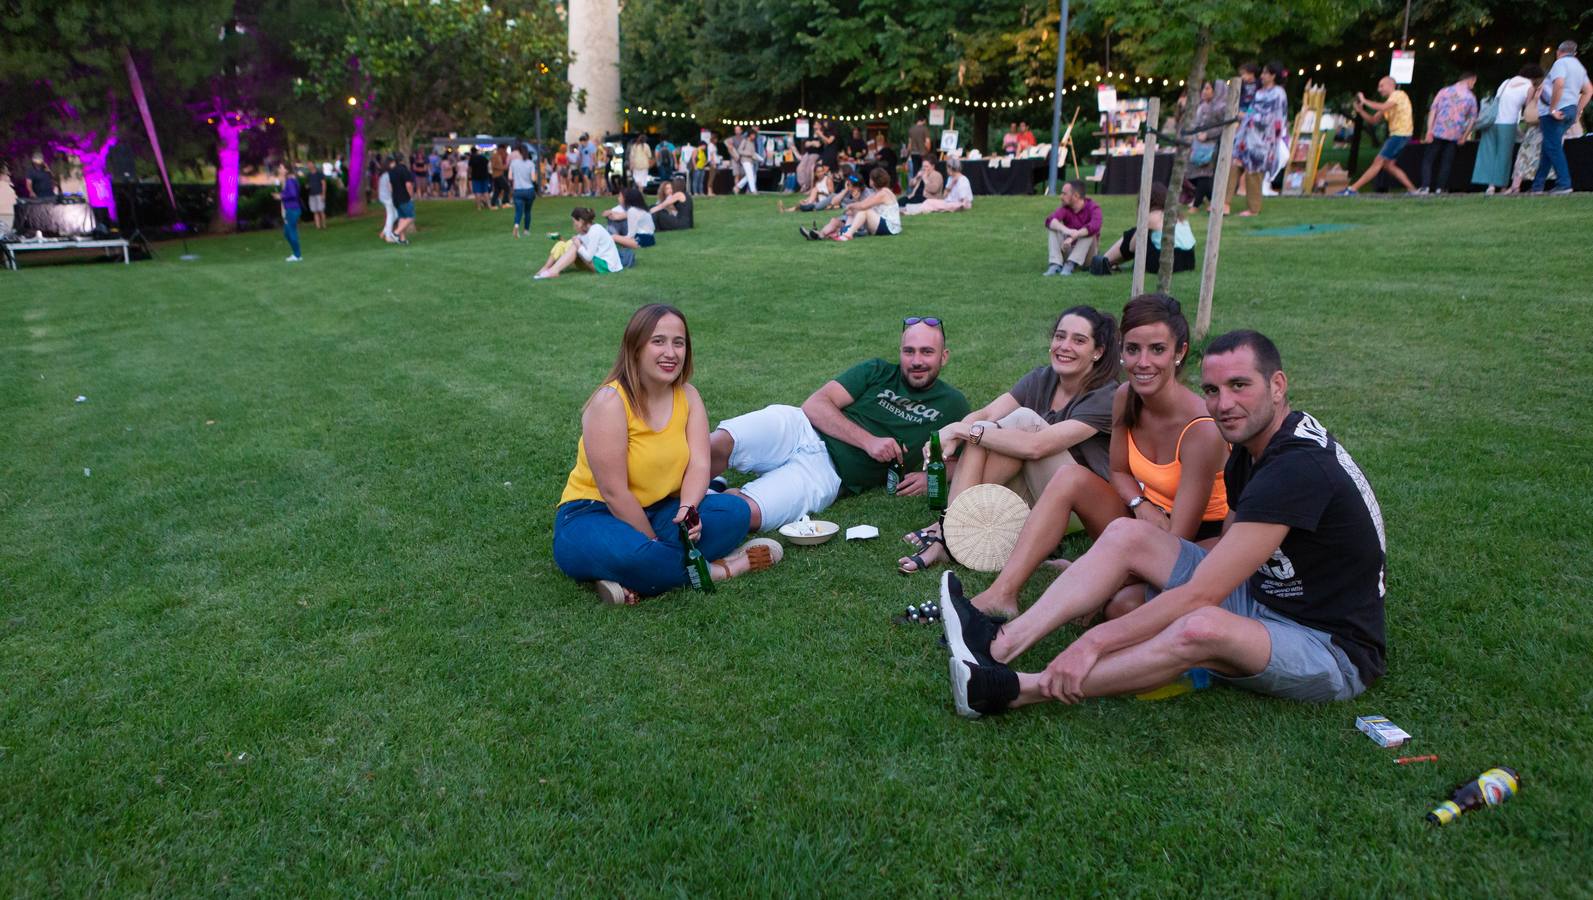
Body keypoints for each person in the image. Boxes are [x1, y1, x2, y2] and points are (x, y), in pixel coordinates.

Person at [941, 328, 1387, 717]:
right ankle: (998, 642)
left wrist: (1095, 642)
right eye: (1212, 390)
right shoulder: (1253, 446)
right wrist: (1123, 575)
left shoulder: (1296, 468)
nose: (1224, 404)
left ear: (1277, 385)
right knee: (1125, 535)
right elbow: (1230, 546)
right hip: (1264, 596)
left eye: (1239, 386)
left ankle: (1013, 690)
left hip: (1327, 646)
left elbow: (1203, 594)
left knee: (1199, 626)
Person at [957, 294, 1229, 617]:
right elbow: (1119, 472)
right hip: (1140, 519)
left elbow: (1177, 541)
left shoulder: (1201, 429)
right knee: (1069, 477)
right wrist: (1139, 505)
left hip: (1190, 540)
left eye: (1157, 349)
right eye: (1133, 349)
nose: (1142, 363)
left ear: (1179, 352)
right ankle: (1001, 594)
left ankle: (1093, 578)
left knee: (1118, 607)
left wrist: (1097, 572)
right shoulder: (1125, 396)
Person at [554, 304, 781, 605]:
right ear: (635, 348)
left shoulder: (688, 395)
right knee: (643, 557)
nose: (671, 353)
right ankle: (722, 568)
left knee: (735, 513)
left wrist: (688, 511)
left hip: (663, 508)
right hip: (592, 513)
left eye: (679, 342)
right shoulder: (610, 403)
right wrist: (652, 541)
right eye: (658, 341)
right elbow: (614, 492)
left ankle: (631, 576)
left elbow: (700, 463)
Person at [896, 306, 1121, 575]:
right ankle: (954, 528)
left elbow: (1038, 447)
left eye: (1079, 340)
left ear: (1098, 352)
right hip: (1037, 493)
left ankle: (948, 533)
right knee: (986, 429)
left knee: (1021, 423)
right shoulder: (1042, 378)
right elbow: (988, 413)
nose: (1065, 346)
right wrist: (953, 433)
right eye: (1060, 337)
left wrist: (960, 430)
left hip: (1080, 510)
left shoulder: (1106, 396)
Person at [707, 318, 971, 532]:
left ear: (943, 357)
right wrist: (869, 441)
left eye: (927, 352)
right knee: (719, 443)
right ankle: (679, 491)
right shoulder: (877, 371)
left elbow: (968, 460)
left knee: (745, 513)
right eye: (908, 351)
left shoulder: (953, 405)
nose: (916, 361)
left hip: (828, 473)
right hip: (800, 427)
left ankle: (712, 497)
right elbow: (815, 405)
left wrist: (931, 477)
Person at [1225, 61, 1288, 216]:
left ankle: (1253, 209)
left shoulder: (1279, 94)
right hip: (1246, 138)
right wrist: (1245, 119)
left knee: (1253, 174)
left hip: (1262, 142)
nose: (1262, 76)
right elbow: (1253, 110)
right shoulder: (1259, 93)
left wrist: (1248, 116)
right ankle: (1224, 203)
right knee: (1234, 167)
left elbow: (1275, 119)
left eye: (1266, 73)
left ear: (1273, 75)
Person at [1090, 184, 1194, 276]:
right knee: (1141, 232)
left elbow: (1131, 247)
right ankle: (1109, 262)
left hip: (1165, 263)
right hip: (1189, 261)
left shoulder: (1153, 216)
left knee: (1134, 233)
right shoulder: (1179, 216)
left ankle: (1105, 261)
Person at [1339, 76, 1419, 195]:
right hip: (1398, 135)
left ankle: (1352, 189)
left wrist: (1365, 101)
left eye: (1381, 86)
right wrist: (1360, 111)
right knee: (1388, 165)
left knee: (1378, 161)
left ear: (1390, 85)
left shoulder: (1399, 95)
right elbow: (1373, 120)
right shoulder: (1389, 102)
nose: (1379, 89)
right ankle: (1413, 190)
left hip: (1400, 134)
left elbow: (1382, 107)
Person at [1532, 40, 1591, 194]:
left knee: (1553, 147)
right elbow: (1589, 90)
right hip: (1570, 109)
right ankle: (1537, 186)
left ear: (1559, 52)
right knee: (1549, 147)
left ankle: (1564, 184)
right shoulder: (1579, 67)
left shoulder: (1560, 64)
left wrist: (1552, 108)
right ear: (1575, 53)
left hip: (1554, 112)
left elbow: (1558, 84)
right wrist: (1578, 111)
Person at [1472, 66, 1539, 193]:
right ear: (1534, 77)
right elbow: (1528, 109)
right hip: (1508, 122)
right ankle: (1501, 185)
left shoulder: (1506, 82)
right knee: (1504, 156)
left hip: (1492, 122)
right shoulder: (1529, 87)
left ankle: (1490, 186)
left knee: (1490, 154)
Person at [1418, 73, 1478, 194]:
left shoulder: (1444, 91)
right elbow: (1472, 119)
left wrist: (1429, 129)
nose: (1473, 85)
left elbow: (1433, 110)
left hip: (1438, 131)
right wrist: (1465, 136)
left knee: (1429, 159)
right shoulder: (1471, 97)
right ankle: (1440, 188)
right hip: (1455, 134)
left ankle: (1425, 186)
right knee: (1447, 162)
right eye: (1474, 82)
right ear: (1470, 80)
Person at [535, 207, 630, 278]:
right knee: (572, 244)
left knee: (576, 246)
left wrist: (578, 245)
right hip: (602, 263)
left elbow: (588, 257)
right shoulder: (587, 231)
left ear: (580, 221)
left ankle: (553, 271)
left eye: (574, 221)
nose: (573, 225)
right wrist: (564, 239)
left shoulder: (595, 230)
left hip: (608, 267)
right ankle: (550, 270)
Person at [811, 167, 900, 241]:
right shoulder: (876, 192)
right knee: (835, 221)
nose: (850, 187)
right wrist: (846, 191)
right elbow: (834, 201)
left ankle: (846, 234)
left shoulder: (882, 193)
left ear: (873, 180)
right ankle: (821, 234)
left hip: (889, 227)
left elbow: (863, 206)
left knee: (864, 211)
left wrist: (851, 205)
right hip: (869, 223)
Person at [1043, 179, 1102, 276]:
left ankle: (1070, 264)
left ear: (1076, 196)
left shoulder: (1093, 207)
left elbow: (1094, 226)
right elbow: (1049, 220)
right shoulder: (1065, 208)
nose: (1061, 197)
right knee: (1054, 227)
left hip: (1088, 255)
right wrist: (1068, 231)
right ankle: (1055, 264)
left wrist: (1074, 236)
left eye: (1064, 194)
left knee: (1090, 232)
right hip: (1069, 249)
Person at [1185, 80, 1228, 209]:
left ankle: (1196, 205)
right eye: (1204, 88)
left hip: (1212, 146)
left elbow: (1225, 127)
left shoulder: (1222, 107)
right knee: (1195, 173)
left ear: (1216, 91)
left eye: (1208, 88)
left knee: (1204, 174)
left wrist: (1207, 134)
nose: (1204, 91)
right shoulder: (1202, 106)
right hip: (1198, 145)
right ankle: (1211, 200)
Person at [901, 157, 973, 215]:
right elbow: (944, 196)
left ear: (951, 168)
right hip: (947, 201)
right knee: (928, 203)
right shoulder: (950, 178)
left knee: (928, 203)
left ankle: (908, 211)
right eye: (923, 166)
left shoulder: (962, 180)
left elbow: (964, 202)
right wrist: (917, 177)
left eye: (926, 166)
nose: (924, 168)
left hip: (954, 203)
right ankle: (907, 210)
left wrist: (925, 179)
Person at [272, 161, 303, 262]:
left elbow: (293, 194)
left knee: (291, 230)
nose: (279, 169)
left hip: (292, 209)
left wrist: (281, 196)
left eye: (281, 167)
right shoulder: (288, 180)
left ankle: (297, 255)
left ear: (286, 170)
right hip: (290, 209)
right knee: (286, 232)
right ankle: (296, 254)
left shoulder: (290, 181)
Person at [509, 147, 537, 238]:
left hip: (518, 190)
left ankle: (516, 226)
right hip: (529, 190)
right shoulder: (531, 163)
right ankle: (526, 230)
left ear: (519, 153)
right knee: (527, 211)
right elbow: (533, 179)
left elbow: (510, 177)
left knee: (518, 211)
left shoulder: (513, 163)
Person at [388, 154, 416, 245]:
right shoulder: (404, 170)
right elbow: (408, 185)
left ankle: (402, 239)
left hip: (395, 198)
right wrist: (411, 196)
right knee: (410, 217)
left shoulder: (391, 171)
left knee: (402, 218)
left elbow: (390, 187)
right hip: (404, 197)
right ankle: (395, 233)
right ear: (403, 160)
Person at [376, 159, 398, 243]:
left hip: (383, 197)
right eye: (393, 163)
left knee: (396, 214)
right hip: (387, 197)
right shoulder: (389, 174)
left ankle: (384, 232)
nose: (394, 164)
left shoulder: (383, 174)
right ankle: (388, 236)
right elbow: (390, 187)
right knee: (391, 215)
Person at [907, 115, 932, 180]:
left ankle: (916, 186)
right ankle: (922, 187)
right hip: (923, 153)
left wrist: (908, 153)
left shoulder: (911, 129)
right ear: (923, 120)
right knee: (924, 170)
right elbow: (927, 142)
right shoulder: (925, 129)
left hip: (913, 153)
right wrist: (928, 151)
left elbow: (909, 144)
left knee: (915, 171)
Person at [303, 165, 328, 230]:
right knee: (315, 211)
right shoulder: (308, 175)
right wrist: (307, 186)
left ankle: (324, 225)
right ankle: (318, 226)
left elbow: (324, 184)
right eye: (308, 165)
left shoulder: (319, 174)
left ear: (313, 166)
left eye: (310, 164)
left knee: (321, 210)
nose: (309, 166)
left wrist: (323, 194)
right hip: (312, 195)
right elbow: (306, 185)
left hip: (319, 194)